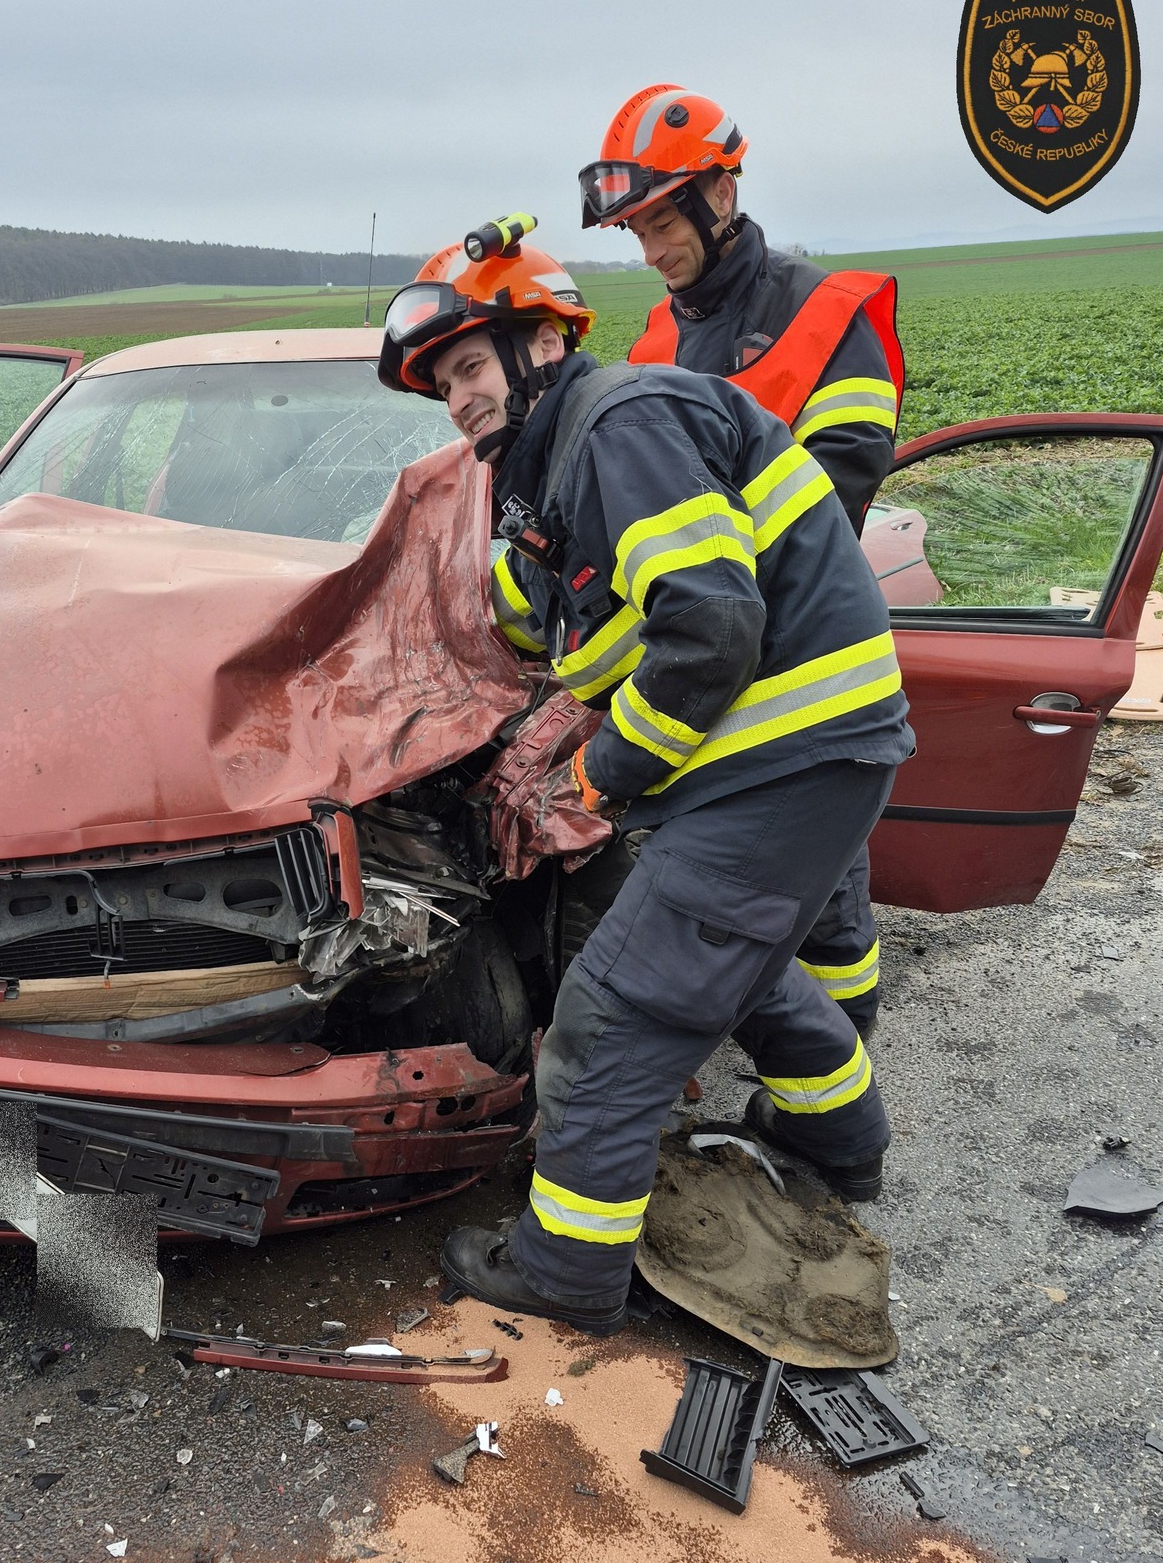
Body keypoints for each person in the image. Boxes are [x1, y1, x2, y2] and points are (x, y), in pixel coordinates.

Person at [378, 219, 914, 1334]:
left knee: (615, 1013)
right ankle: (835, 1139)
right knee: (733, 967)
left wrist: (600, 771)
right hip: (796, 758)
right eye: (442, 386)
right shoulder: (557, 471)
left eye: (469, 366)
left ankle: (566, 1269)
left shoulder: (617, 425)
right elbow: (549, 615)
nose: (458, 399)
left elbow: (710, 627)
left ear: (542, 343)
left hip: (781, 757)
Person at [584, 85, 904, 1034]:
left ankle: (841, 1054)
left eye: (660, 222)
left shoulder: (827, 314)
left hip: (799, 654)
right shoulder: (656, 338)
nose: (649, 251)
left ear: (720, 193)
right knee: (729, 884)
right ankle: (763, 1028)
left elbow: (841, 490)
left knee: (826, 888)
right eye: (635, 231)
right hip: (708, 656)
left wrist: (705, 589)